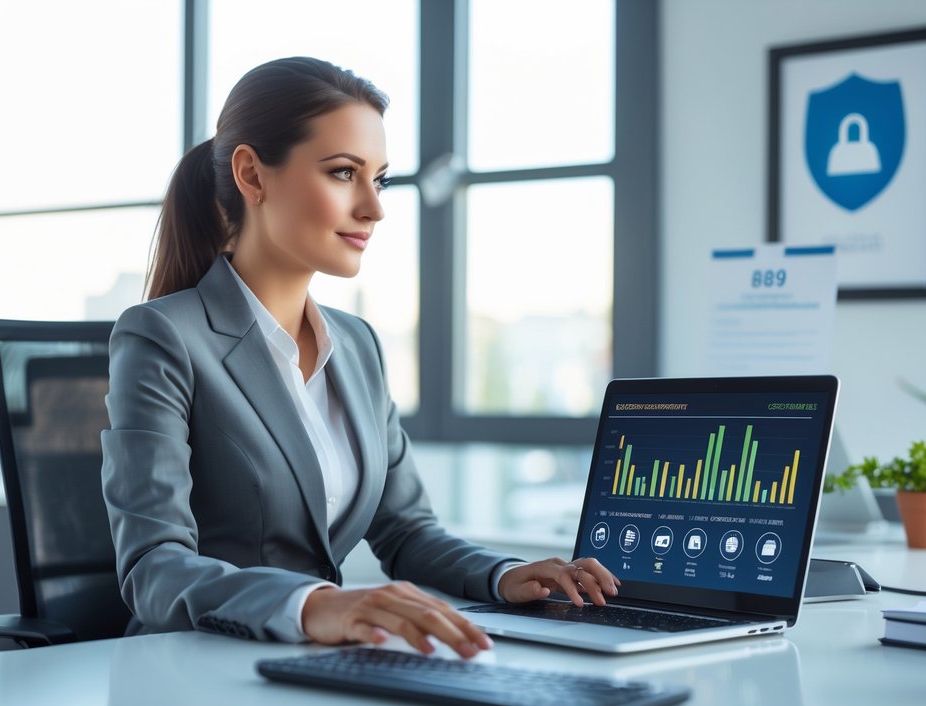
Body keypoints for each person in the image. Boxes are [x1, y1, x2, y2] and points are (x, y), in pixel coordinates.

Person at [101, 57, 618, 659]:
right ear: (252, 174)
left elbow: (406, 532)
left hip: (317, 664)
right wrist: (316, 605)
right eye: (344, 173)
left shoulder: (358, 346)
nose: (374, 208)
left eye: (382, 179)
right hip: (192, 669)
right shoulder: (162, 335)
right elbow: (154, 568)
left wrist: (504, 575)